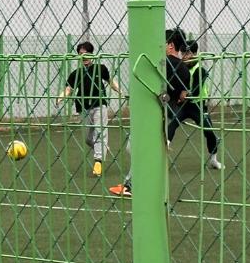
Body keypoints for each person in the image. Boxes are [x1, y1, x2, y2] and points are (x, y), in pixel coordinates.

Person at [110, 28, 191, 197]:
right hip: (167, 113)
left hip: (150, 112)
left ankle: (131, 186)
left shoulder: (160, 63)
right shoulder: (184, 68)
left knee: (136, 147)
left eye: (162, 43)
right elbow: (183, 95)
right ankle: (136, 183)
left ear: (170, 45)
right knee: (140, 147)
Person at [58, 41, 122, 177]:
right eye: (81, 54)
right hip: (83, 108)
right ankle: (102, 148)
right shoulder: (76, 74)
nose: (85, 57)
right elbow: (68, 89)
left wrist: (120, 91)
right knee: (88, 138)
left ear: (92, 54)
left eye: (87, 53)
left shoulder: (100, 68)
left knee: (100, 133)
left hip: (99, 105)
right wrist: (60, 98)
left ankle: (98, 163)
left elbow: (110, 82)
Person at [166, 39, 222, 169]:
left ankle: (214, 159)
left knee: (209, 131)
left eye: (188, 53)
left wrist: (185, 95)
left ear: (195, 54)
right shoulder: (179, 67)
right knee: (172, 123)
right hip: (183, 106)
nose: (185, 56)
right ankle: (166, 144)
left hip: (198, 106)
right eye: (183, 53)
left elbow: (196, 91)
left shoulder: (200, 70)